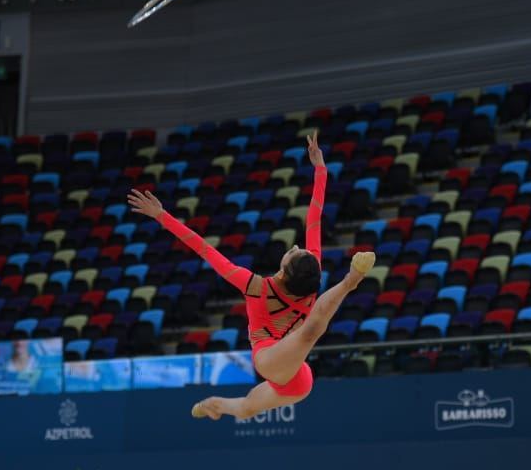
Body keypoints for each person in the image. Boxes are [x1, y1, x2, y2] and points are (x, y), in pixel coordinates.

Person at [127, 130, 375, 420]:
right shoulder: (311, 272)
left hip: (293, 375)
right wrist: (320, 169)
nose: (297, 247)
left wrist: (161, 216)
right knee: (309, 332)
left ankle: (214, 405)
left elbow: (205, 249)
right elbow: (314, 216)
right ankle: (349, 282)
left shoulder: (255, 286)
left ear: (283, 270)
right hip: (278, 362)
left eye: (293, 251)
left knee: (246, 408)